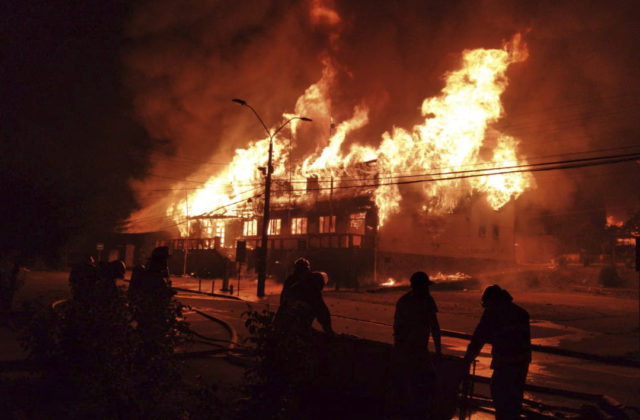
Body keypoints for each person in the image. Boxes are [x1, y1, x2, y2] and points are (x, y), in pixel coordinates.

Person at [464, 284, 531, 420]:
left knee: (500, 393)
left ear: (491, 301)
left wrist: (467, 360)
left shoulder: (492, 313)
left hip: (505, 362)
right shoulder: (521, 313)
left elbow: (478, 338)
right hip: (522, 362)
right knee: (515, 397)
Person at [392, 271, 442, 415]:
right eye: (425, 286)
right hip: (416, 351)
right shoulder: (427, 301)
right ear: (418, 286)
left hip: (406, 349)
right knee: (425, 382)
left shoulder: (404, 301)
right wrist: (438, 351)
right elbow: (435, 327)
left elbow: (397, 327)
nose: (427, 289)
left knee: (406, 384)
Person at [276, 257, 333, 335]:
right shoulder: (312, 287)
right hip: (296, 322)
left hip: (283, 320)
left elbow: (283, 298)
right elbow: (322, 311)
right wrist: (328, 330)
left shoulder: (291, 280)